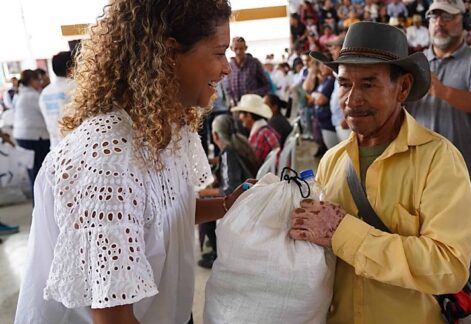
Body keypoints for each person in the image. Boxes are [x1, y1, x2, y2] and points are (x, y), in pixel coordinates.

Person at [14, 1, 253, 323]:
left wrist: (227, 204)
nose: (226, 68)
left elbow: (160, 214)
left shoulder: (165, 128)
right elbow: (112, 315)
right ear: (169, 54)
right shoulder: (106, 159)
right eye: (218, 52)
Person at [291, 21, 471, 323]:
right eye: (344, 84)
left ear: (402, 87)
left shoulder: (439, 160)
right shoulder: (332, 161)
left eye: (368, 84)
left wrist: (343, 232)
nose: (351, 100)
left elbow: (450, 267)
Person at [406, 0, 471, 322]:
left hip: (466, 171)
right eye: (434, 16)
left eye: (447, 17)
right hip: (418, 171)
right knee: (422, 240)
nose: (439, 23)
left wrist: (441, 90)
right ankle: (436, 306)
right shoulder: (416, 63)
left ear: (462, 21)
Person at [197, 114, 258, 269]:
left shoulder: (228, 153)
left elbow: (230, 190)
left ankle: (217, 253)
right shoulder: (240, 143)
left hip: (243, 201)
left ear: (215, 135)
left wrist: (205, 193)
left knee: (204, 205)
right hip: (253, 194)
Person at [13, 69, 51, 198]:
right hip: (35, 137)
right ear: (31, 81)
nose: (40, 83)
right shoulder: (33, 96)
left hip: (21, 136)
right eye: (38, 80)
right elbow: (47, 113)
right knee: (40, 173)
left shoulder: (19, 94)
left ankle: (38, 203)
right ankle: (41, 203)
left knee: (32, 172)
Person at [39, 51, 76, 150]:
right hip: (75, 145)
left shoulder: (44, 92)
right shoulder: (75, 86)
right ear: (71, 67)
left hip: (55, 147)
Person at [230, 94, 281, 163]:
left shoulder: (259, 135)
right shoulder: (267, 129)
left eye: (241, 113)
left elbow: (252, 163)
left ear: (249, 116)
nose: (240, 117)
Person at [224, 36, 271, 107]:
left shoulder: (254, 63)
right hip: (236, 107)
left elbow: (267, 86)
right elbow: (228, 89)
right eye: (236, 48)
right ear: (231, 49)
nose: (238, 51)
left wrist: (253, 94)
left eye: (241, 48)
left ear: (246, 48)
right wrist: (231, 101)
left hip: (253, 106)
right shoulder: (230, 65)